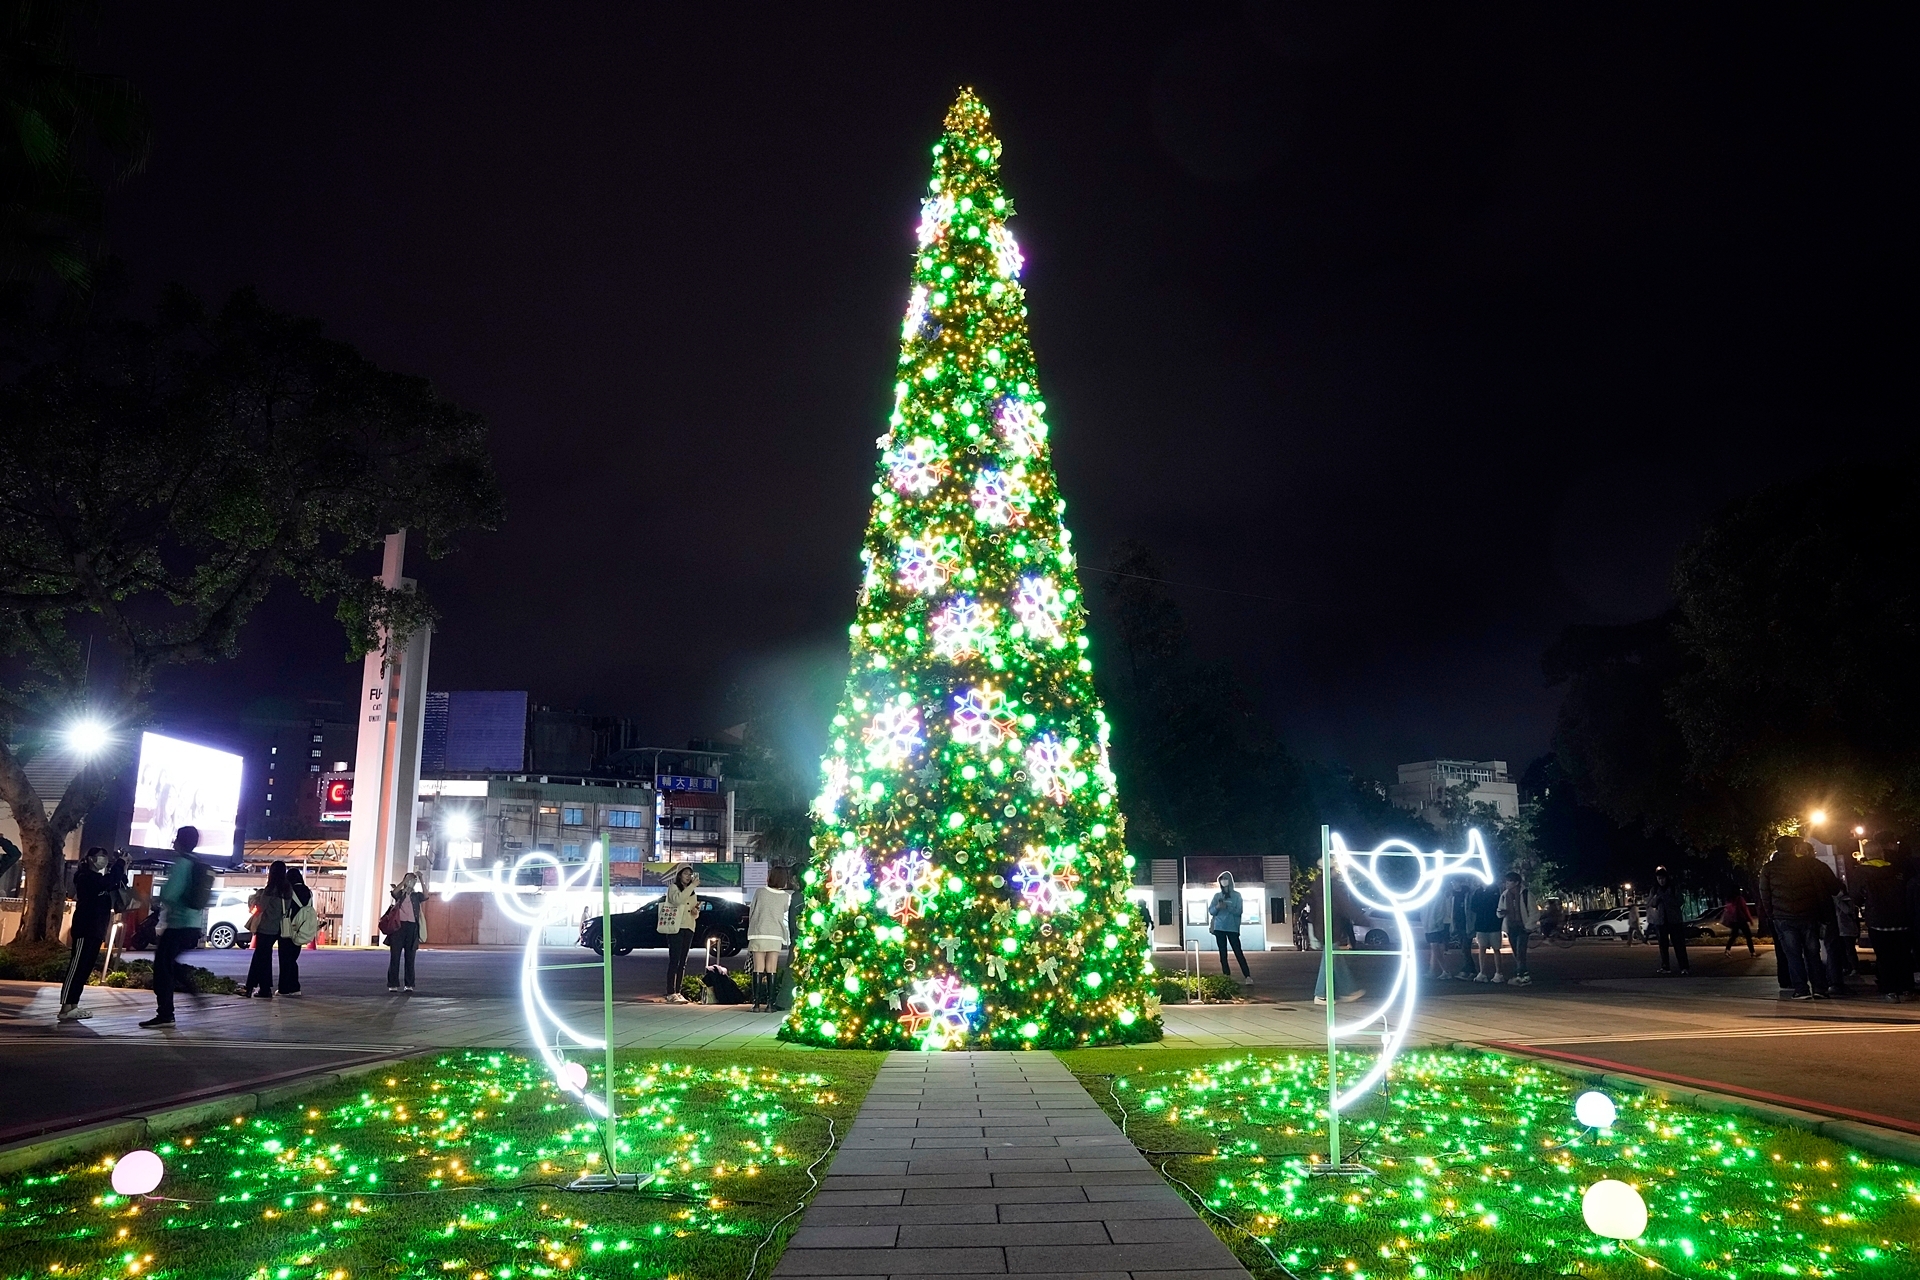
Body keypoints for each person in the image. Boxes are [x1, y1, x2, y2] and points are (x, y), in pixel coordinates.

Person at [140, 827, 208, 1029]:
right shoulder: (197, 863)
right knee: (168, 963)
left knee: (162, 967)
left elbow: (170, 893)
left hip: (178, 924)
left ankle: (166, 1013)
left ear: (179, 841)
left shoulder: (183, 863)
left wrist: (154, 900)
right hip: (193, 925)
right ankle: (185, 995)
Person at [1760, 836, 1839, 999]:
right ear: (1793, 847)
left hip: (1783, 917)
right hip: (1808, 915)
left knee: (1793, 954)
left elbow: (1765, 894)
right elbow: (1819, 888)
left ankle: (1801, 989)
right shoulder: (1806, 865)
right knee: (1812, 953)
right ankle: (1819, 988)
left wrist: (1772, 915)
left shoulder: (1768, 869)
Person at [59, 847, 128, 1022]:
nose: (102, 860)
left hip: (97, 929)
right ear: (90, 859)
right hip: (85, 928)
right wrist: (119, 864)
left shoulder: (100, 878)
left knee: (85, 968)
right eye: (99, 857)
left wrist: (123, 867)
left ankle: (73, 1005)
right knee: (77, 966)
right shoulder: (84, 877)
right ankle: (66, 1006)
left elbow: (116, 882)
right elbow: (105, 883)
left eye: (105, 857)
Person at [1858, 834, 1912, 1003]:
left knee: (1884, 956)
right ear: (1881, 852)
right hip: (1900, 918)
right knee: (1902, 955)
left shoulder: (1861, 872)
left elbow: (1856, 895)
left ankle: (1890, 991)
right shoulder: (1896, 870)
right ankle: (1906, 988)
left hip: (1877, 920)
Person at [1312, 867, 1365, 1004]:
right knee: (1329, 959)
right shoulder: (1332, 886)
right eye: (1334, 869)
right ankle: (1320, 994)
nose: (1336, 871)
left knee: (1335, 959)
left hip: (1322, 927)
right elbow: (1346, 906)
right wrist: (1363, 919)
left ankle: (1347, 991)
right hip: (1330, 927)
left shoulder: (1318, 885)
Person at [745, 864, 792, 1011]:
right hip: (775, 934)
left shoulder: (760, 892)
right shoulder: (786, 897)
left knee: (758, 968)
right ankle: (770, 1005)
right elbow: (784, 912)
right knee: (772, 968)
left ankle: (756, 1004)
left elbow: (752, 911)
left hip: (759, 933)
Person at [242, 861, 292, 998]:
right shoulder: (288, 889)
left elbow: (261, 907)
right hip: (279, 928)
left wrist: (257, 897)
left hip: (266, 927)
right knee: (262, 957)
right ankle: (257, 987)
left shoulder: (270, 889)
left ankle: (257, 988)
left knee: (261, 958)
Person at [659, 865, 700, 1003]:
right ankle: (671, 992)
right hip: (676, 927)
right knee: (674, 960)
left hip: (689, 926)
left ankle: (678, 991)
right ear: (679, 875)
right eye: (686, 874)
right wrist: (692, 886)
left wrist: (696, 912)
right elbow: (677, 900)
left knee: (683, 961)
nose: (688, 876)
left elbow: (692, 909)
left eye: (690, 874)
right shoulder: (673, 888)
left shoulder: (692, 892)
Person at [385, 871, 426, 992]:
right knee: (395, 957)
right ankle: (393, 984)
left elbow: (426, 895)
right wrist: (403, 882)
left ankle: (409, 984)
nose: (411, 883)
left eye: (413, 881)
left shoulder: (416, 896)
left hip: (412, 928)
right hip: (398, 927)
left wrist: (421, 879)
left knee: (410, 957)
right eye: (409, 880)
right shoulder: (401, 894)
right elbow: (394, 893)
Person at [1207, 872, 1251, 980]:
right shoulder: (1217, 896)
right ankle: (1226, 977)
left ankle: (1247, 976)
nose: (1223, 881)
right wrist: (1218, 906)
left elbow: (1239, 911)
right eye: (1221, 879)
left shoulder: (1237, 895)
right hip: (1219, 928)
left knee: (1238, 952)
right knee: (1223, 954)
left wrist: (1228, 907)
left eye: (1225, 879)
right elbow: (1211, 911)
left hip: (1232, 928)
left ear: (1230, 880)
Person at [1497, 870, 1537, 986]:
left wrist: (1529, 926)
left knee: (1520, 951)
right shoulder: (1505, 895)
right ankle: (1522, 974)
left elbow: (1534, 912)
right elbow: (1499, 911)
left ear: (1516, 882)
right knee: (1516, 951)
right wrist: (1502, 913)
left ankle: (1523, 975)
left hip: (1522, 927)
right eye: (1506, 881)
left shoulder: (1526, 894)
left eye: (1509, 881)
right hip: (1511, 927)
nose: (1507, 884)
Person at [1647, 866, 1689, 975]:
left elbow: (1680, 901)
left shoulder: (1673, 887)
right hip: (1661, 921)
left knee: (1679, 945)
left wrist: (1666, 897)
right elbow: (1651, 903)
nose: (1661, 881)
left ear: (1666, 878)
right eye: (1659, 879)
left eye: (1663, 878)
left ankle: (1684, 967)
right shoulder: (1655, 889)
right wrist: (1657, 897)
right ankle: (1665, 967)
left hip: (1674, 920)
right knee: (1663, 945)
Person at [280, 867, 315, 995]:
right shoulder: (308, 892)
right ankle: (295, 987)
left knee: (285, 959)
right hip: (302, 927)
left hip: (289, 927)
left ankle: (285, 988)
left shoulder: (288, 890)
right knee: (293, 959)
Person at [1470, 881, 1505, 982]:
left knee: (1496, 949)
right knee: (1482, 948)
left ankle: (1498, 973)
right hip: (1482, 924)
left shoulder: (1494, 891)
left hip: (1493, 924)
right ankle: (1482, 972)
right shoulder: (1478, 892)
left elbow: (1497, 906)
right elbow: (1473, 907)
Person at [1422, 882, 1453, 980]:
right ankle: (1443, 970)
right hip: (1430, 925)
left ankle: (1435, 971)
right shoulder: (1428, 895)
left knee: (1435, 949)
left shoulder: (1438, 895)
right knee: (1435, 950)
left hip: (1434, 926)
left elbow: (1440, 911)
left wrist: (1436, 923)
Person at [1720, 889, 1757, 955]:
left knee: (1733, 936)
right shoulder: (1740, 899)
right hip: (1741, 920)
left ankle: (1727, 950)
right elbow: (1745, 910)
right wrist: (1750, 919)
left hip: (1734, 921)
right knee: (1748, 936)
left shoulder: (1730, 899)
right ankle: (1752, 952)